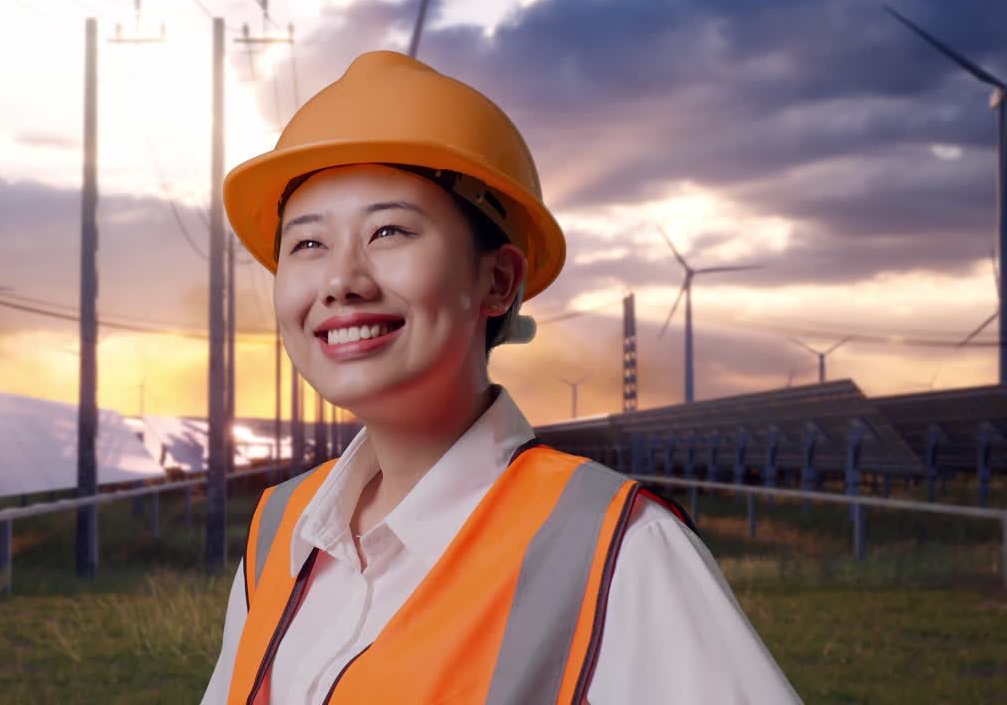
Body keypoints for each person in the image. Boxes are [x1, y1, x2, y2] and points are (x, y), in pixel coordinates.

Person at [200, 50, 801, 704]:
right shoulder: (279, 532)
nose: (343, 281)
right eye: (308, 243)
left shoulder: (612, 546)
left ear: (498, 280)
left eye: (390, 231)